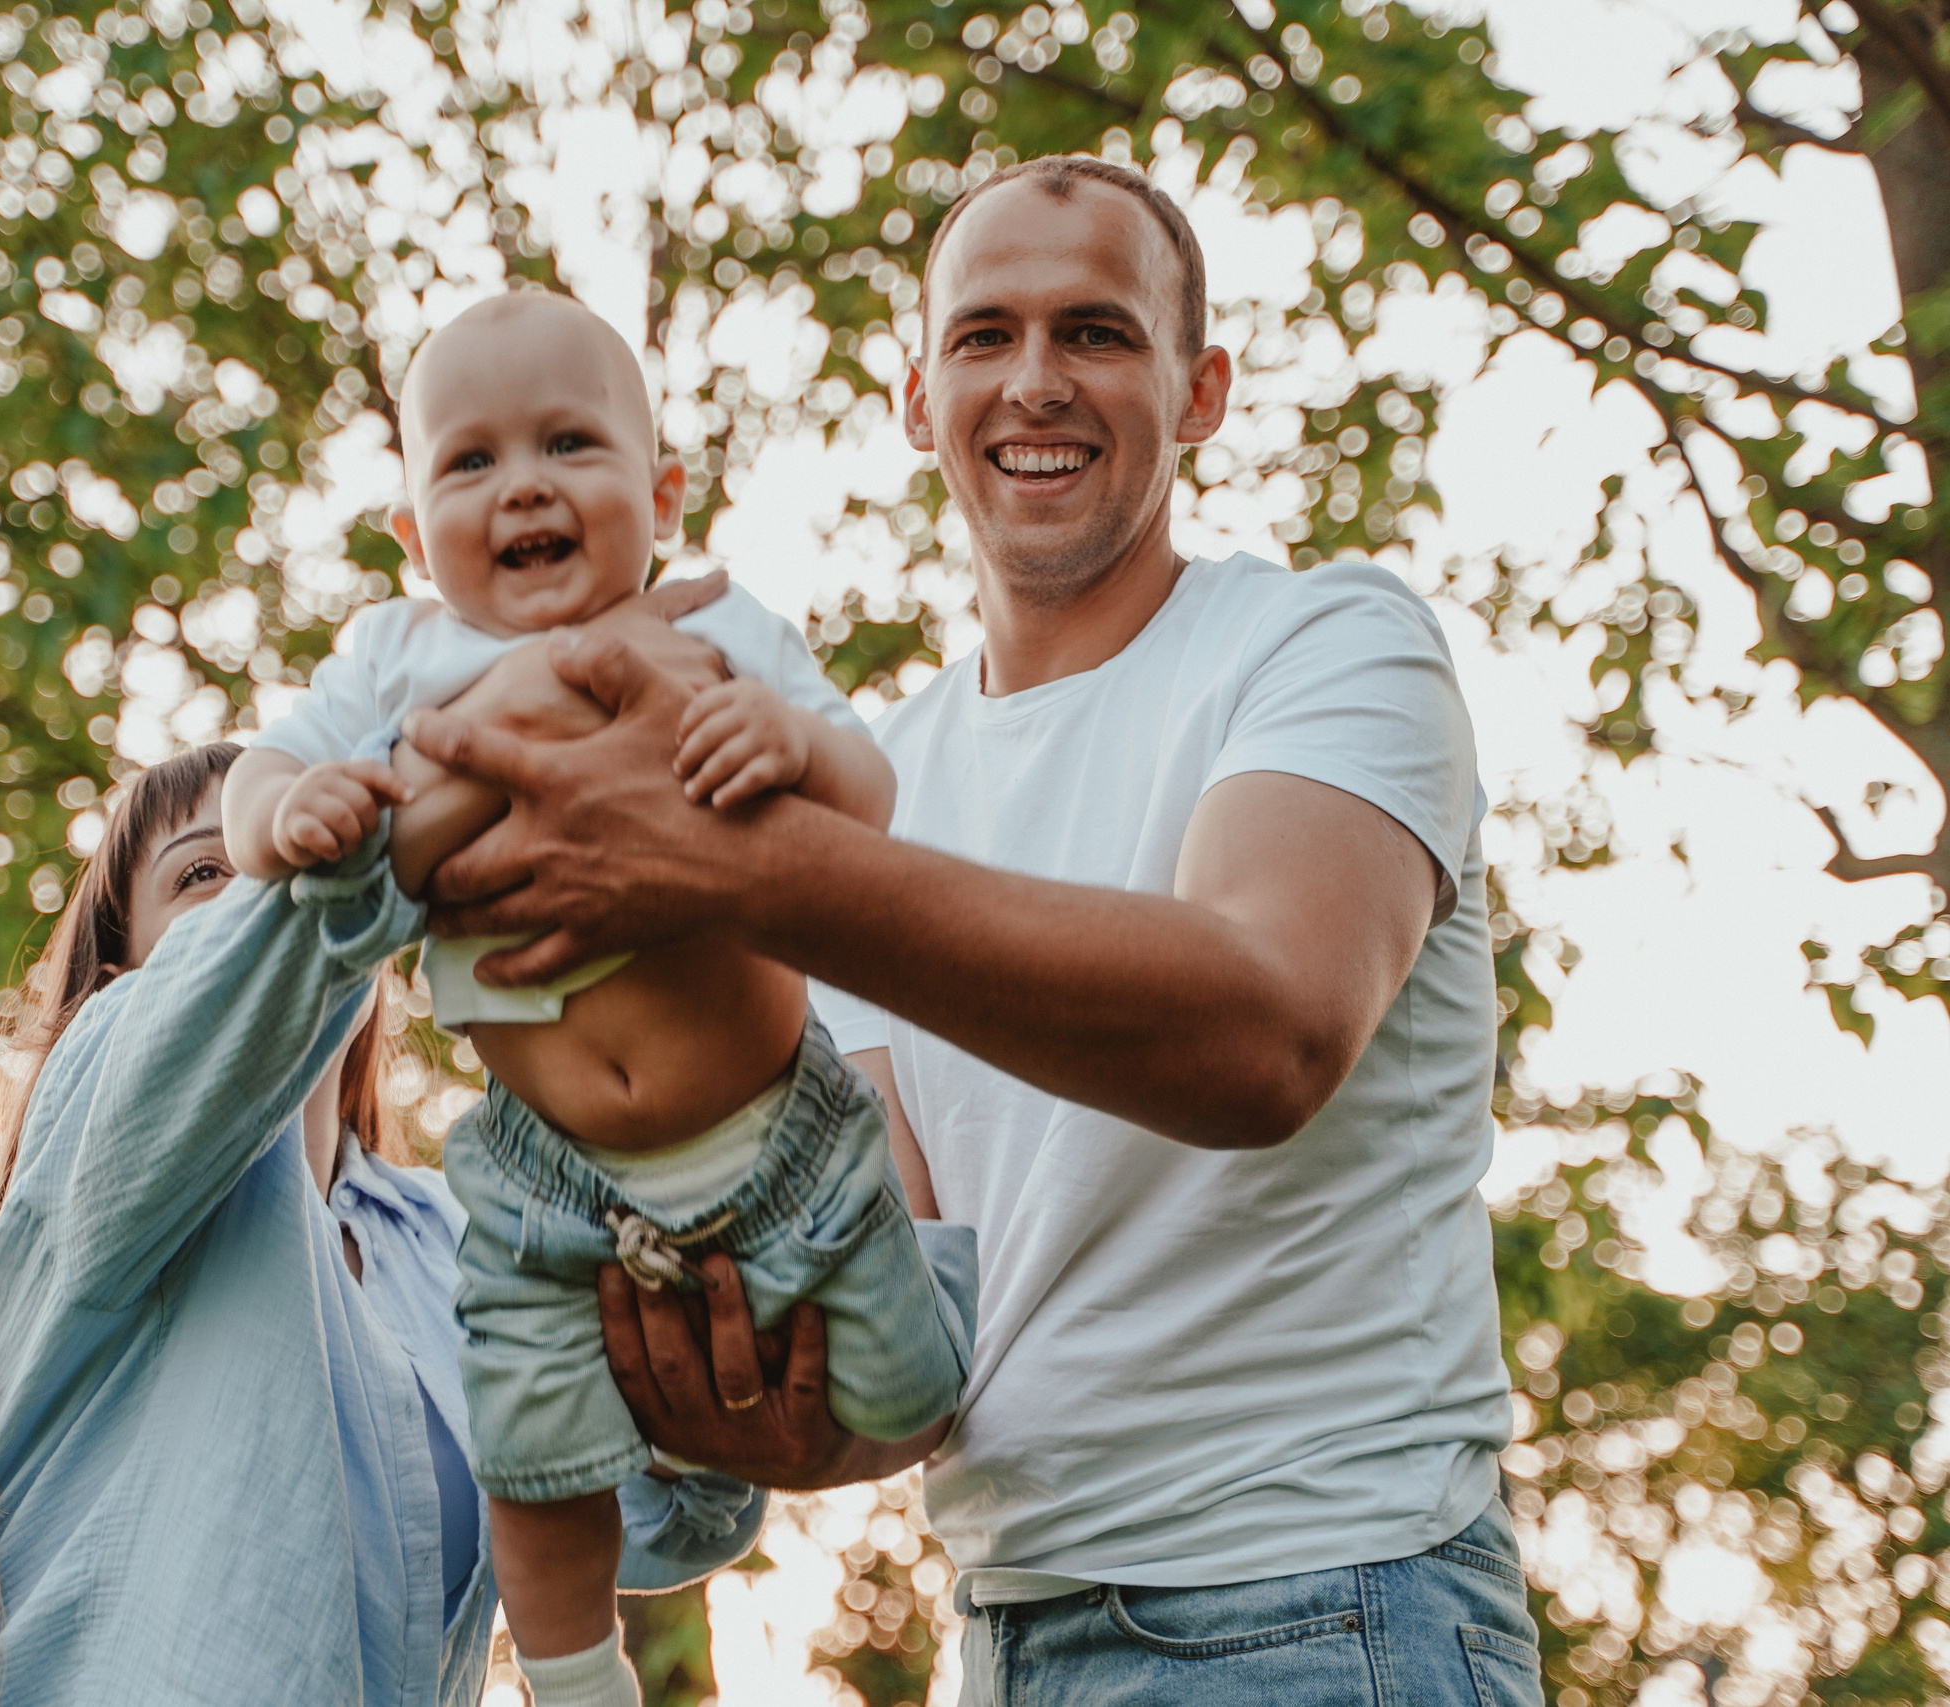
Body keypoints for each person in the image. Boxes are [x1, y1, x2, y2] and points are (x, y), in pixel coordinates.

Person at [400, 157, 1542, 1704]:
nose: (1036, 382)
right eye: (987, 335)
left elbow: (1265, 1029)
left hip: (1320, 1600)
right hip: (1008, 1627)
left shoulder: (1327, 642)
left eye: (1098, 333)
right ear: (917, 390)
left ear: (1199, 391)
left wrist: (739, 874)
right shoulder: (883, 779)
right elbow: (908, 1307)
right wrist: (764, 1398)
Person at [219, 291, 976, 1707]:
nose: (524, 485)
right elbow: (261, 771)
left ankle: (836, 1351)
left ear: (662, 491)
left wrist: (787, 739)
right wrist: (288, 810)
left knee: (906, 1397)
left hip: (777, 1142)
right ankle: (575, 1678)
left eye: (570, 443)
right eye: (470, 460)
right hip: (542, 1180)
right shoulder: (394, 657)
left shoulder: (718, 630)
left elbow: (870, 793)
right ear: (408, 532)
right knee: (529, 1451)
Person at [0, 739, 771, 1707]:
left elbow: (655, 1517)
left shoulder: (451, 1234)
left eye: (289, 849)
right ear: (118, 970)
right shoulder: (93, 1141)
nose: (270, 883)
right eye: (204, 873)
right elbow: (246, 978)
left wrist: (698, 1388)